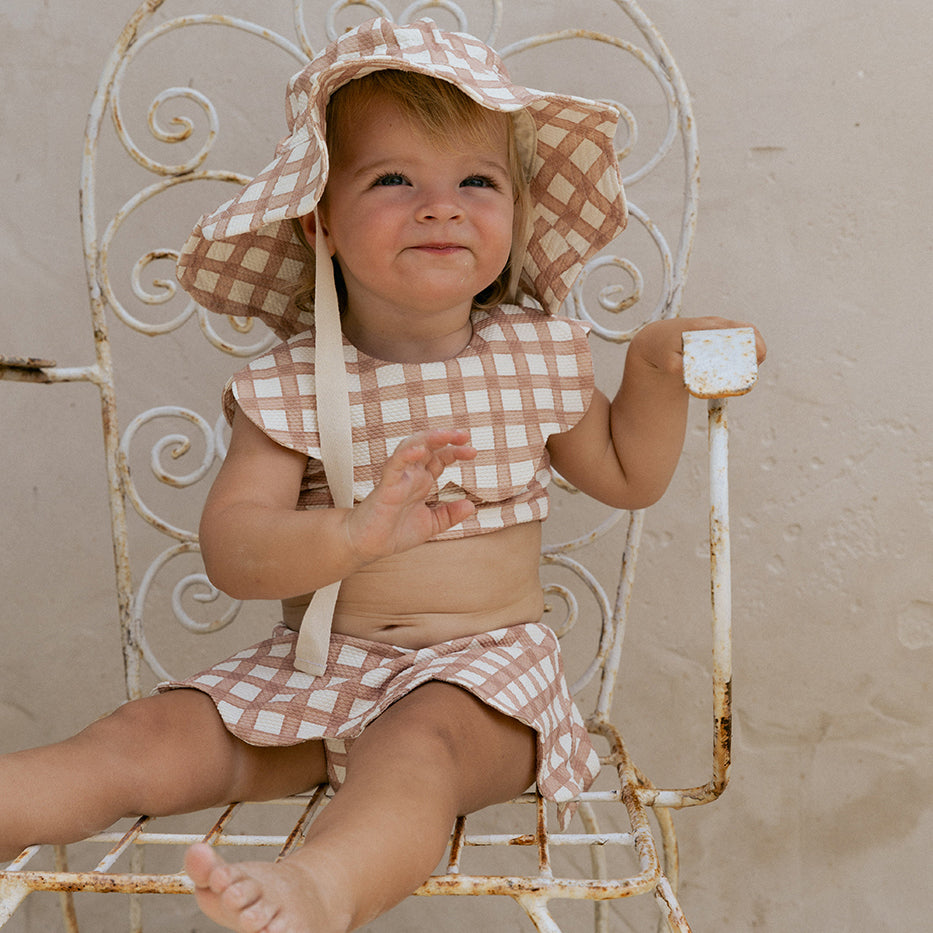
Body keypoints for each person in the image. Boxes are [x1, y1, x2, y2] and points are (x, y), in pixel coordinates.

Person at [0, 17, 765, 933]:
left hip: (481, 687)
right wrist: (350, 535)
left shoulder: (536, 353)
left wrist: (648, 367)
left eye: (475, 181)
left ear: (515, 215)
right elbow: (236, 553)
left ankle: (317, 888)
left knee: (417, 749)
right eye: (394, 178)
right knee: (146, 737)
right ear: (320, 218)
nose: (439, 206)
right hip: (318, 670)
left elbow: (627, 474)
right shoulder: (287, 383)